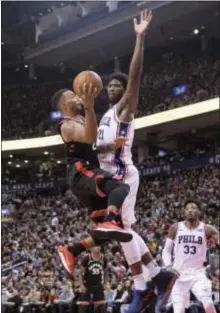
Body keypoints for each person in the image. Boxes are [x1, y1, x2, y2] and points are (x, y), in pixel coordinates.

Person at [58, 10, 176, 313]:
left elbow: (135, 76)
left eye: (117, 86)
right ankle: (158, 278)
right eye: (109, 85)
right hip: (103, 177)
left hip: (120, 177)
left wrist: (140, 38)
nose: (112, 87)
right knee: (119, 233)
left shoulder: (124, 111)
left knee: (120, 231)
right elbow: (90, 139)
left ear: (125, 93)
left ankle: (142, 288)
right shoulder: (102, 117)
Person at [162, 200, 219, 313]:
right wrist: (168, 266)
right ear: (184, 212)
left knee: (207, 301)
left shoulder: (208, 229)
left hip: (197, 273)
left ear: (198, 211)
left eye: (193, 208)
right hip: (179, 274)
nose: (190, 211)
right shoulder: (175, 227)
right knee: (178, 310)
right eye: (187, 209)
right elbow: (167, 250)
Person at [78, 247, 107, 313]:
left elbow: (106, 273)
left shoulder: (104, 258)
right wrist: (81, 285)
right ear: (91, 248)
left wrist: (105, 283)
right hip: (87, 285)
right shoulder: (87, 258)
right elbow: (80, 273)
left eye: (98, 246)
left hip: (98, 285)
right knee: (84, 305)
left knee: (101, 306)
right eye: (95, 246)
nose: (97, 247)